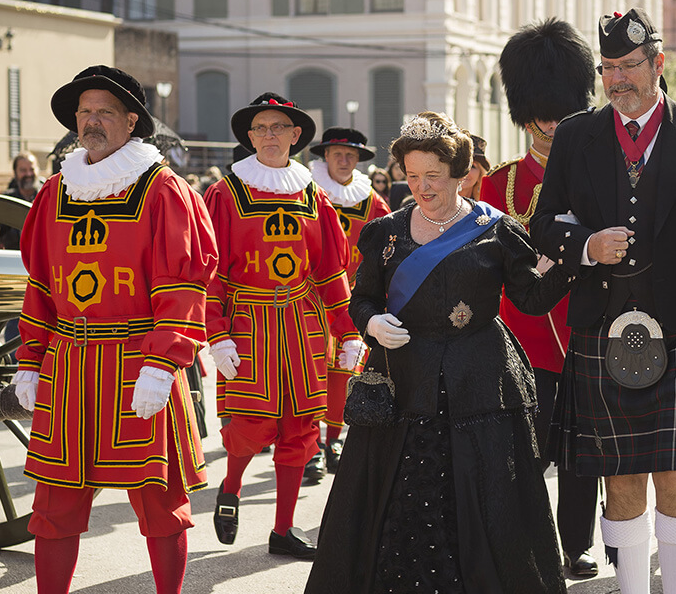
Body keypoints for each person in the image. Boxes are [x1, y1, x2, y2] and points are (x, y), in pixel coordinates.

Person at [529, 8, 676, 594]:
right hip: (602, 329)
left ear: (657, 64)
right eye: (608, 69)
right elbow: (543, 225)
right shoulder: (577, 134)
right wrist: (585, 245)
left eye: (629, 66)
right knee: (621, 478)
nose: (618, 80)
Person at [305, 112, 573, 593]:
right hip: (406, 381)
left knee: (488, 500)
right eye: (411, 175)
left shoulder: (497, 229)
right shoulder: (385, 231)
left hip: (481, 382)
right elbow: (361, 296)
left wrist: (570, 263)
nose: (421, 186)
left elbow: (531, 300)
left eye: (432, 175)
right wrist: (370, 322)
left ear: (460, 173)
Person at [10, 65, 218, 594]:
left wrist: (163, 362)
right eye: (85, 112)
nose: (92, 121)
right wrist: (30, 360)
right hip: (68, 365)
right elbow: (40, 284)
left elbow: (183, 283)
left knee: (160, 503)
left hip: (138, 365)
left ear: (131, 122)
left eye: (105, 111)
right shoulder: (55, 190)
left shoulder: (162, 188)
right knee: (53, 506)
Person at [204, 92, 363, 560]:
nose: (270, 136)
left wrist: (348, 329)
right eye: (261, 129)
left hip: (303, 325)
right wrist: (215, 333)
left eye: (279, 128)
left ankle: (283, 529)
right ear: (249, 137)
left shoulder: (313, 195)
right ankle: (231, 488)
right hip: (247, 322)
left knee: (300, 430)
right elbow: (209, 271)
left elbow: (330, 271)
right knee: (252, 425)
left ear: (296, 136)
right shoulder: (225, 192)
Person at [480, 17, 600, 578]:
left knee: (584, 456)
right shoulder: (496, 185)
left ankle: (573, 545)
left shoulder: (601, 178)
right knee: (524, 456)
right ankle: (526, 546)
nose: (549, 123)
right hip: (523, 340)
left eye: (558, 111)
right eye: (539, 113)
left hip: (588, 330)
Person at [308, 127, 390, 475]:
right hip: (309, 298)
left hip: (352, 298)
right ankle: (310, 445)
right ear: (324, 156)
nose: (344, 161)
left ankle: (334, 437)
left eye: (351, 156)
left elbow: (389, 243)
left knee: (345, 370)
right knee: (310, 372)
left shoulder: (370, 200)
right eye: (338, 154)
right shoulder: (305, 191)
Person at [459, 133, 489, 200]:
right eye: (459, 164)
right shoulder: (434, 206)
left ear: (480, 175)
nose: (464, 171)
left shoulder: (484, 208)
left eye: (472, 166)